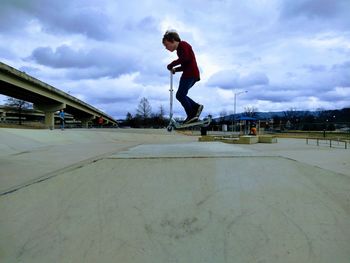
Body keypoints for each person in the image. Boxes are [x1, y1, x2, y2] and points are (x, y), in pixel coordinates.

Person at [162, 30, 203, 124]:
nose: (166, 48)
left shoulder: (183, 45)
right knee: (181, 95)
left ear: (172, 40)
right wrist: (175, 70)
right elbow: (184, 64)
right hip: (189, 73)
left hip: (190, 74)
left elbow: (185, 58)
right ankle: (196, 107)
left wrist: (172, 64)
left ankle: (192, 114)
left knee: (180, 95)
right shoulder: (179, 51)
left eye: (166, 44)